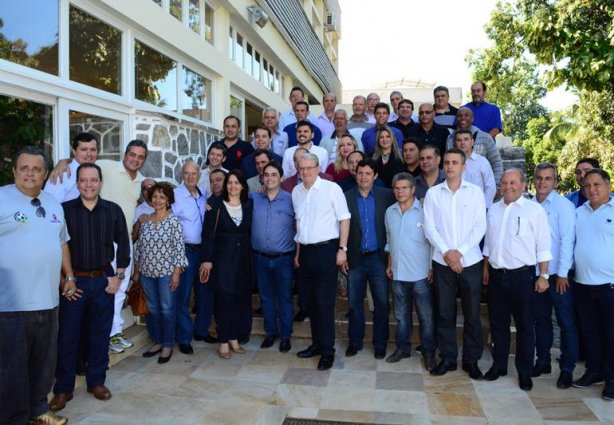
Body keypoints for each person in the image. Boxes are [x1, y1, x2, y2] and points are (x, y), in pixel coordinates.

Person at [0, 146, 72, 425]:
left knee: (43, 364)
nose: (30, 174)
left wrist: (69, 276)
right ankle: (13, 419)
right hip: (11, 304)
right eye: (24, 168)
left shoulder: (53, 203)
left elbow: (62, 242)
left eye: (37, 169)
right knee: (11, 368)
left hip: (48, 300)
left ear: (45, 173)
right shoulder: (2, 198)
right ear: (15, 170)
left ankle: (38, 410)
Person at [50, 163, 130, 411]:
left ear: (101, 183)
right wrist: (64, 280)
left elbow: (124, 245)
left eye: (93, 180)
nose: (88, 184)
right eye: (83, 180)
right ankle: (63, 389)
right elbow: (55, 247)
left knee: (99, 335)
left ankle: (96, 382)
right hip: (76, 283)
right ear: (77, 184)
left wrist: (118, 276)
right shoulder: (64, 211)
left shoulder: (113, 210)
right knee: (68, 337)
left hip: (104, 281)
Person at [482, 168, 552, 391]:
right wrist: (485, 269)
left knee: (524, 326)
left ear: (523, 185)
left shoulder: (534, 211)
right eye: (504, 183)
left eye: (513, 182)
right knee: (498, 323)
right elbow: (489, 245)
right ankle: (499, 365)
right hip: (496, 276)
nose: (508, 186)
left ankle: (524, 371)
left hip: (522, 277)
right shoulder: (493, 209)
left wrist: (543, 275)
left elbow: (543, 245)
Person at [423, 148, 487, 380]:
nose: (450, 166)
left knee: (472, 314)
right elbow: (430, 229)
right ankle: (448, 358)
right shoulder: (433, 194)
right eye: (447, 162)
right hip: (442, 262)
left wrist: (458, 253)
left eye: (455, 162)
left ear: (463, 166)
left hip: (469, 262)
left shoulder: (475, 193)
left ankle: (471, 360)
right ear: (443, 166)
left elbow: (480, 227)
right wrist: (448, 254)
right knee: (444, 313)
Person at [294, 153, 351, 370]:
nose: (305, 172)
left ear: (318, 168)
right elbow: (299, 225)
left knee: (324, 304)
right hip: (306, 252)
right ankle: (316, 345)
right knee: (309, 302)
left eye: (309, 168)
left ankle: (327, 352)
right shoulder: (297, 192)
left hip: (326, 251)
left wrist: (342, 249)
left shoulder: (331, 189)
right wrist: (298, 253)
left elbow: (344, 218)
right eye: (302, 168)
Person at [531, 163, 577, 389]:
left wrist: (561, 273)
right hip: (536, 275)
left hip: (559, 276)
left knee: (565, 322)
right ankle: (543, 361)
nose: (543, 183)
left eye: (548, 179)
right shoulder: (529, 205)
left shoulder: (564, 206)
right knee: (541, 321)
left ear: (555, 182)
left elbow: (568, 241)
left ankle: (567, 368)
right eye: (539, 178)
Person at [343, 159, 394, 359]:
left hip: (378, 259)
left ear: (375, 176)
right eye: (360, 173)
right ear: (355, 174)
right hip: (355, 258)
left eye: (367, 173)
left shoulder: (387, 196)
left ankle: (380, 343)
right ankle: (355, 342)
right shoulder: (346, 197)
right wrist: (343, 252)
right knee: (354, 304)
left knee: (381, 304)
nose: (363, 177)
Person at [200, 170, 253, 359]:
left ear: (243, 185)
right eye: (229, 182)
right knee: (224, 300)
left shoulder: (248, 204)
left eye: (236, 183)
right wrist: (207, 259)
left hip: (243, 260)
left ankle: (234, 339)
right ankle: (223, 340)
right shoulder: (214, 205)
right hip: (222, 261)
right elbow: (207, 235)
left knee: (239, 299)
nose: (232, 186)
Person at [385, 172, 436, 369]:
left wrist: (432, 267)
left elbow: (432, 242)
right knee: (401, 316)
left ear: (413, 189)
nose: (400, 191)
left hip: (421, 274)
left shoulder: (425, 210)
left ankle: (429, 352)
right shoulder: (390, 212)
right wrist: (389, 265)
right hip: (398, 274)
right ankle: (402, 348)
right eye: (397, 188)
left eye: (404, 187)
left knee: (426, 316)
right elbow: (390, 241)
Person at [572, 168, 614, 401]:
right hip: (583, 284)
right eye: (587, 186)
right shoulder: (579, 212)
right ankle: (594, 371)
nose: (592, 189)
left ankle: (612, 379)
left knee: (611, 335)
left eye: (597, 184)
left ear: (608, 185)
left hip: (609, 285)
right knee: (590, 333)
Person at [134, 182, 188, 364]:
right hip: (147, 272)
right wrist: (137, 271)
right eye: (155, 196)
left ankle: (167, 344)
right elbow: (139, 248)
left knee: (167, 309)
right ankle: (157, 341)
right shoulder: (146, 221)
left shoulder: (174, 222)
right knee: (154, 310)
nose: (158, 200)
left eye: (162, 197)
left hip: (166, 273)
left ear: (168, 200)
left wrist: (176, 273)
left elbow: (179, 250)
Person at [252, 162, 296, 353]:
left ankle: (286, 336)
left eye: (274, 175)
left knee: (285, 298)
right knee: (266, 298)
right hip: (260, 258)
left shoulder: (291, 199)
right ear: (262, 177)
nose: (269, 178)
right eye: (266, 175)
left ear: (281, 177)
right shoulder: (253, 198)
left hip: (284, 259)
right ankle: (271, 333)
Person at [172, 161, 213, 355]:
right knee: (183, 295)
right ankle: (185, 337)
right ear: (182, 175)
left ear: (199, 175)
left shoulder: (204, 194)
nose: (190, 177)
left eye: (193, 174)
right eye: (186, 173)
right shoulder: (175, 196)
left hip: (203, 251)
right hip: (184, 251)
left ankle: (201, 331)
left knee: (205, 293)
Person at [446, 107, 503, 187]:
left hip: (481, 188)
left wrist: (497, 185)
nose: (463, 118)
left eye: (466, 115)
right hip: (457, 188)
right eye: (460, 116)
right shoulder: (450, 138)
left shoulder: (485, 138)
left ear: (472, 119)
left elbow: (496, 163)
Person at [44, 132, 98, 203]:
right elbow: (49, 205)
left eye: (93, 150)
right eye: (84, 149)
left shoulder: (99, 170)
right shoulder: (61, 174)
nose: (89, 154)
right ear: (74, 152)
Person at [454, 129, 496, 207]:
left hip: (478, 207)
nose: (462, 143)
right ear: (455, 143)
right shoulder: (452, 163)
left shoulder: (482, 162)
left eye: (466, 139)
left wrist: (484, 207)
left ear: (472, 142)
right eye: (459, 140)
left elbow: (491, 187)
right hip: (457, 207)